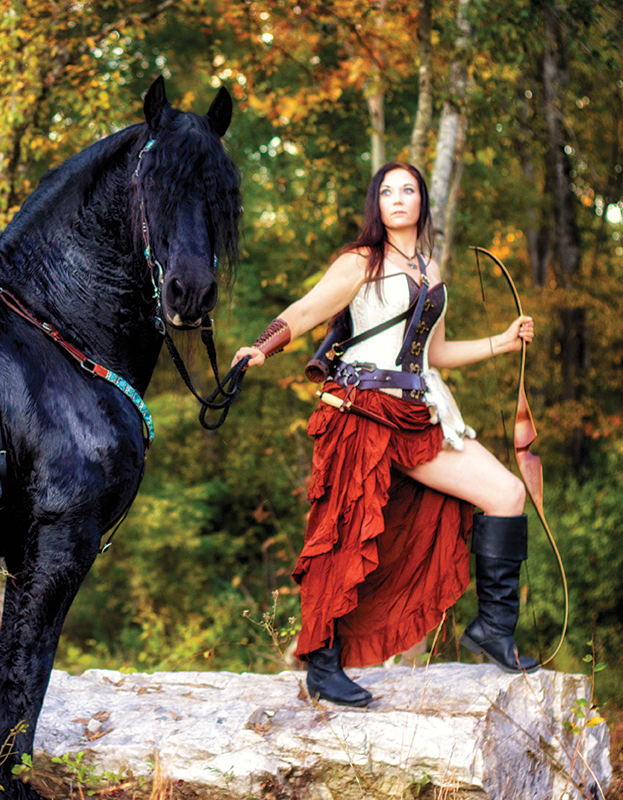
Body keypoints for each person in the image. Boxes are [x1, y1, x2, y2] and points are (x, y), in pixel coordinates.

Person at [232, 162, 538, 708]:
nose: (398, 199)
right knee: (343, 531)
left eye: (409, 190)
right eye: (388, 191)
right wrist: (263, 344)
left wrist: (503, 341)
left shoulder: (429, 265)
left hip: (417, 412)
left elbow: (435, 354)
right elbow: (306, 310)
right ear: (377, 203)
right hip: (360, 409)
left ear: (422, 202)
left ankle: (494, 630)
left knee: (508, 494)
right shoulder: (359, 262)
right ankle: (321, 664)